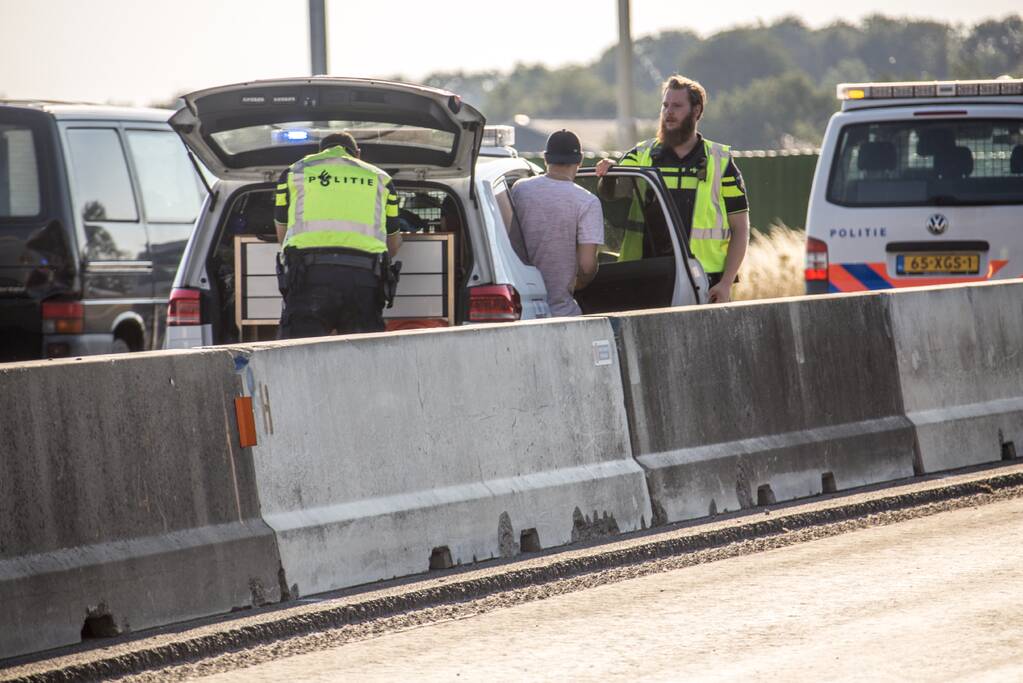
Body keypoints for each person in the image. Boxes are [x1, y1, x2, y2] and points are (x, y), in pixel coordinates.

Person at [596, 75, 750, 303]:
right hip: (645, 277)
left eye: (677, 106)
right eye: (665, 105)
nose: (668, 112)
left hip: (704, 281)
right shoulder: (641, 154)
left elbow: (741, 228)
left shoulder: (721, 161)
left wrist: (726, 282)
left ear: (696, 111)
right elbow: (611, 193)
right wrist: (608, 172)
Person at [273, 132, 402, 338]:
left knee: (298, 356)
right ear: (357, 153)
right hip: (363, 282)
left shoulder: (293, 173)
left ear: (320, 152)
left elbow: (282, 235)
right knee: (364, 358)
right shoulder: (381, 179)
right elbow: (392, 245)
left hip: (308, 278)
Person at [510, 129, 603, 317]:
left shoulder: (520, 189)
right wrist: (575, 283)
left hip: (521, 312)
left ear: (545, 158)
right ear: (580, 160)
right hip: (562, 313)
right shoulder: (587, 202)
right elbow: (586, 266)